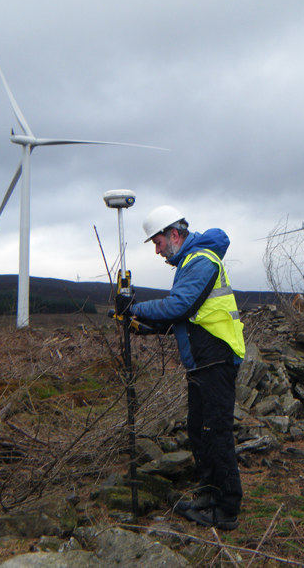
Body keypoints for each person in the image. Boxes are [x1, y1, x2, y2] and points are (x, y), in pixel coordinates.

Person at [114, 205, 246, 531]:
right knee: (199, 432)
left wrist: (136, 306)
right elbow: (183, 319)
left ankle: (226, 508)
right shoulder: (188, 262)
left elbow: (181, 305)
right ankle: (208, 495)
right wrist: (138, 325)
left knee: (216, 434)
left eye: (157, 242)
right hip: (201, 363)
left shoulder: (202, 260)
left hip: (216, 359)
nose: (157, 250)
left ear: (174, 234)